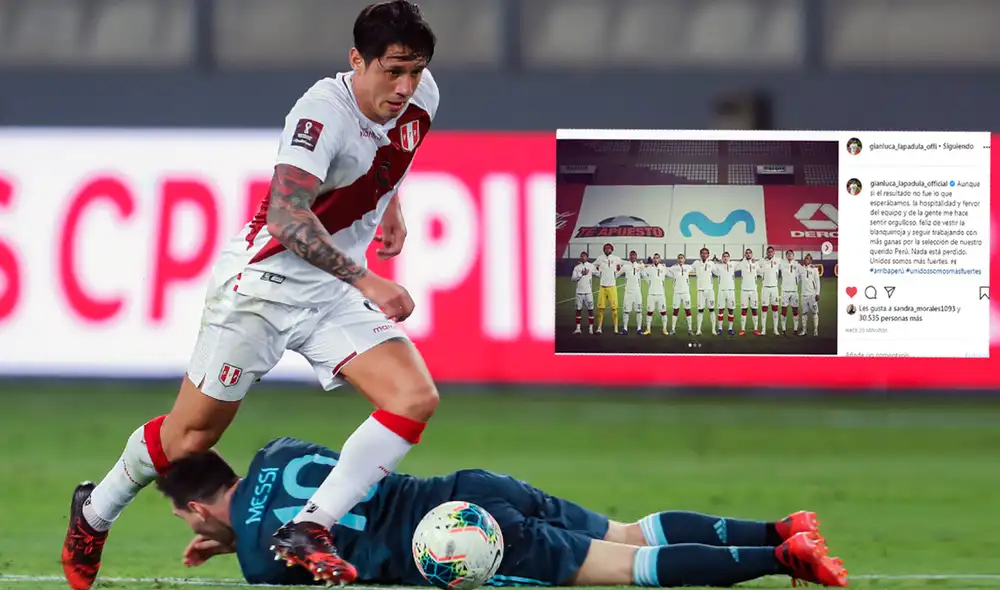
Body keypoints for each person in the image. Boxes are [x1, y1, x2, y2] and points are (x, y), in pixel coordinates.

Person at [62, 3, 440, 588]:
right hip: (263, 288)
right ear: (357, 61)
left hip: (330, 293)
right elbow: (287, 218)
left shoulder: (420, 97)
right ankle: (95, 512)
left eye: (415, 71)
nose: (405, 86)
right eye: (393, 71)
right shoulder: (321, 114)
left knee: (413, 397)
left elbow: (388, 156)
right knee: (191, 438)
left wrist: (390, 205)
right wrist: (366, 280)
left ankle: (309, 527)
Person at [156, 437, 849, 588]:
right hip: (473, 486)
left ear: (193, 508)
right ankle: (779, 528)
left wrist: (236, 542)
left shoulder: (261, 563)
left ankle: (780, 559)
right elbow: (305, 505)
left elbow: (290, 549)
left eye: (188, 520)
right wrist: (235, 534)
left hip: (460, 538)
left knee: (629, 569)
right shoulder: (279, 451)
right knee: (629, 532)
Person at [593, 243, 622, 334]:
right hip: (602, 286)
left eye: (609, 248)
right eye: (606, 248)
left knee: (615, 309)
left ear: (612, 250)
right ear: (604, 250)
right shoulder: (600, 258)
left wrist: (616, 273)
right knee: (600, 309)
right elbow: (592, 266)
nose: (607, 249)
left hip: (612, 286)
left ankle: (616, 328)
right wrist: (598, 274)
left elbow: (624, 264)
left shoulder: (616, 258)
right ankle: (599, 328)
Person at [691, 248, 716, 337]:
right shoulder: (696, 263)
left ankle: (713, 330)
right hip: (700, 290)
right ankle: (698, 330)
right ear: (700, 254)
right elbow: (688, 268)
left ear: (708, 255)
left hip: (710, 290)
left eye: (706, 253)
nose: (704, 255)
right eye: (702, 253)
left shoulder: (711, 263)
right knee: (700, 310)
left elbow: (718, 271)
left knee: (712, 309)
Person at [642, 254, 669, 335]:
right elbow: (643, 273)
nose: (655, 259)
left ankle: (664, 329)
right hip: (651, 294)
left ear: (659, 259)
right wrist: (648, 281)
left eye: (657, 258)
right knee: (649, 311)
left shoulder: (663, 268)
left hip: (661, 294)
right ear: (653, 259)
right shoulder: (649, 268)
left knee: (663, 312)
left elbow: (670, 273)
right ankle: (648, 329)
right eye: (654, 258)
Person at [735, 249, 760, 336]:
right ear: (745, 255)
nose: (748, 254)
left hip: (754, 290)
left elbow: (761, 271)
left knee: (754, 310)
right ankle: (742, 329)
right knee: (744, 310)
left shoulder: (756, 263)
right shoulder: (742, 263)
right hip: (744, 290)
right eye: (747, 253)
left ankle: (756, 329)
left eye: (750, 253)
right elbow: (734, 267)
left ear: (752, 254)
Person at [666, 254, 694, 335]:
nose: (680, 259)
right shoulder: (674, 268)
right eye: (679, 258)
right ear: (677, 259)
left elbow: (697, 267)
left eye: (682, 258)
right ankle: (673, 329)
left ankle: (690, 329)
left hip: (686, 293)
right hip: (677, 293)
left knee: (688, 310)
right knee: (675, 310)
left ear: (684, 259)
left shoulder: (688, 267)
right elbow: (666, 270)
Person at [712, 252, 738, 336]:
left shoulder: (733, 264)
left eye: (727, 256)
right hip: (721, 291)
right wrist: (715, 260)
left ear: (729, 257)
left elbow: (742, 262)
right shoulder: (718, 266)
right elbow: (710, 265)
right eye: (724, 256)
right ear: (722, 258)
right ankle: (720, 329)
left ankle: (730, 329)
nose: (725, 258)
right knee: (721, 310)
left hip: (731, 290)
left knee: (731, 310)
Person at [571, 252, 597, 334]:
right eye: (581, 256)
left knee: (591, 310)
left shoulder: (591, 266)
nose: (583, 257)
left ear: (587, 257)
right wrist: (581, 274)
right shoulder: (577, 267)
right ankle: (578, 328)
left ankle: (590, 328)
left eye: (584, 256)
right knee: (578, 310)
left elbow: (598, 273)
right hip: (579, 292)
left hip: (588, 292)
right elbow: (573, 279)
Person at [619, 251, 644, 335]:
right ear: (629, 256)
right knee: (626, 311)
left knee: (639, 311)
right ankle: (625, 329)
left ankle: (639, 329)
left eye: (634, 255)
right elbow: (617, 274)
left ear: (636, 256)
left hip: (637, 292)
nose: (632, 256)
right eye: (631, 255)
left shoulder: (639, 266)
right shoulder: (625, 266)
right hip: (628, 292)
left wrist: (642, 267)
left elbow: (645, 275)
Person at [759, 247, 781, 335]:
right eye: (769, 252)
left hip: (774, 288)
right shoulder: (762, 261)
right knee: (764, 309)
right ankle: (763, 329)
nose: (770, 253)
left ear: (774, 252)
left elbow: (789, 264)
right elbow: (754, 265)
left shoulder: (778, 260)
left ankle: (775, 329)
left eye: (772, 252)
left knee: (775, 309)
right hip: (765, 288)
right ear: (766, 253)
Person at [798, 254, 822, 336]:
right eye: (805, 258)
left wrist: (817, 293)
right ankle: (804, 330)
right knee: (804, 313)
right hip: (803, 295)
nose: (806, 260)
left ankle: (815, 330)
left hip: (812, 295)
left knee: (815, 313)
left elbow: (817, 282)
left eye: (808, 259)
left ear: (811, 260)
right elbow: (797, 278)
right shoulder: (801, 269)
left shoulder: (814, 269)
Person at [779, 250, 801, 334]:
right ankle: (783, 329)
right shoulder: (782, 263)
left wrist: (812, 266)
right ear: (786, 256)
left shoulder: (797, 264)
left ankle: (795, 329)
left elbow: (804, 271)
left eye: (791, 254)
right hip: (785, 291)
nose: (789, 255)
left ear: (793, 255)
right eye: (788, 254)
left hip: (794, 291)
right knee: (784, 310)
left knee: (795, 310)